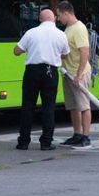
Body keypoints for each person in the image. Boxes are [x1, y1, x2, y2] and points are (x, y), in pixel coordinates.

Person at [13, 9, 70, 150]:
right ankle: (46, 142)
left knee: (27, 106)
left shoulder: (31, 32)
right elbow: (66, 55)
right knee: (48, 107)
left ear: (40, 19)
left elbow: (16, 51)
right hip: (50, 72)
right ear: (54, 19)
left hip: (32, 71)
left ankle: (23, 142)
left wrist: (30, 49)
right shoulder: (61, 34)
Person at [56, 0, 92, 149]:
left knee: (83, 105)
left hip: (79, 73)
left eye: (59, 15)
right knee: (73, 106)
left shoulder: (79, 28)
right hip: (68, 73)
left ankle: (86, 136)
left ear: (66, 13)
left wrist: (78, 75)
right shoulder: (68, 28)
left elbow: (84, 52)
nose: (58, 19)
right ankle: (77, 134)